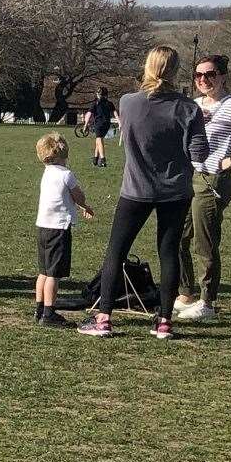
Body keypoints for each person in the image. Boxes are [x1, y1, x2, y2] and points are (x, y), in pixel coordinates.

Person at [81, 46, 208, 340]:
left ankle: (103, 318)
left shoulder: (128, 102)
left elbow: (134, 135)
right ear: (176, 71)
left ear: (148, 67)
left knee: (116, 252)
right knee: (169, 253)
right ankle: (164, 321)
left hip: (136, 188)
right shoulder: (189, 108)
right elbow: (199, 153)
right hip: (175, 191)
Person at [174, 54, 231, 324]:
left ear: (222, 76)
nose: (203, 80)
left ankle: (207, 302)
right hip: (189, 176)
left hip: (213, 179)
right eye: (198, 75)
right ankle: (186, 293)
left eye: (209, 75)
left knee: (204, 242)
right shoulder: (194, 104)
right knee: (177, 236)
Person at [34, 132, 93, 329]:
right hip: (58, 228)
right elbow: (78, 196)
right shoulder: (66, 174)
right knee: (54, 274)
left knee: (43, 271)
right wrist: (85, 206)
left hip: (42, 226)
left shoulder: (47, 172)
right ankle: (49, 314)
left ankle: (39, 308)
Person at [85, 86, 117, 168]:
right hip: (106, 124)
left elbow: (89, 114)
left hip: (98, 124)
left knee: (99, 139)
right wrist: (119, 121)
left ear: (98, 94)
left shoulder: (95, 103)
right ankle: (95, 159)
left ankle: (103, 159)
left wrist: (85, 125)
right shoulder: (109, 103)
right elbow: (115, 113)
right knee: (98, 141)